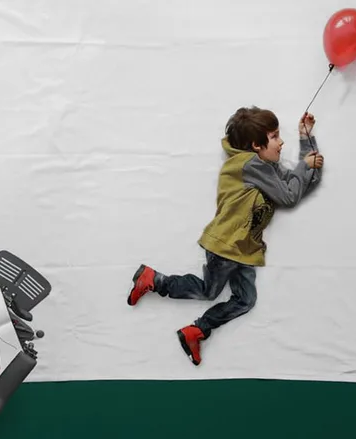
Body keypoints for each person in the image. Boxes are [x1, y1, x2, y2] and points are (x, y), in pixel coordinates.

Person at [127, 106, 324, 366]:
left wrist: (306, 139)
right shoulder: (250, 164)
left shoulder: (267, 167)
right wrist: (304, 166)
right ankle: (154, 280)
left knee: (246, 300)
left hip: (244, 249)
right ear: (256, 145)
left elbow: (305, 182)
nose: (281, 142)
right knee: (208, 291)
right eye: (275, 136)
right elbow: (289, 196)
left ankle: (196, 331)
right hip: (227, 244)